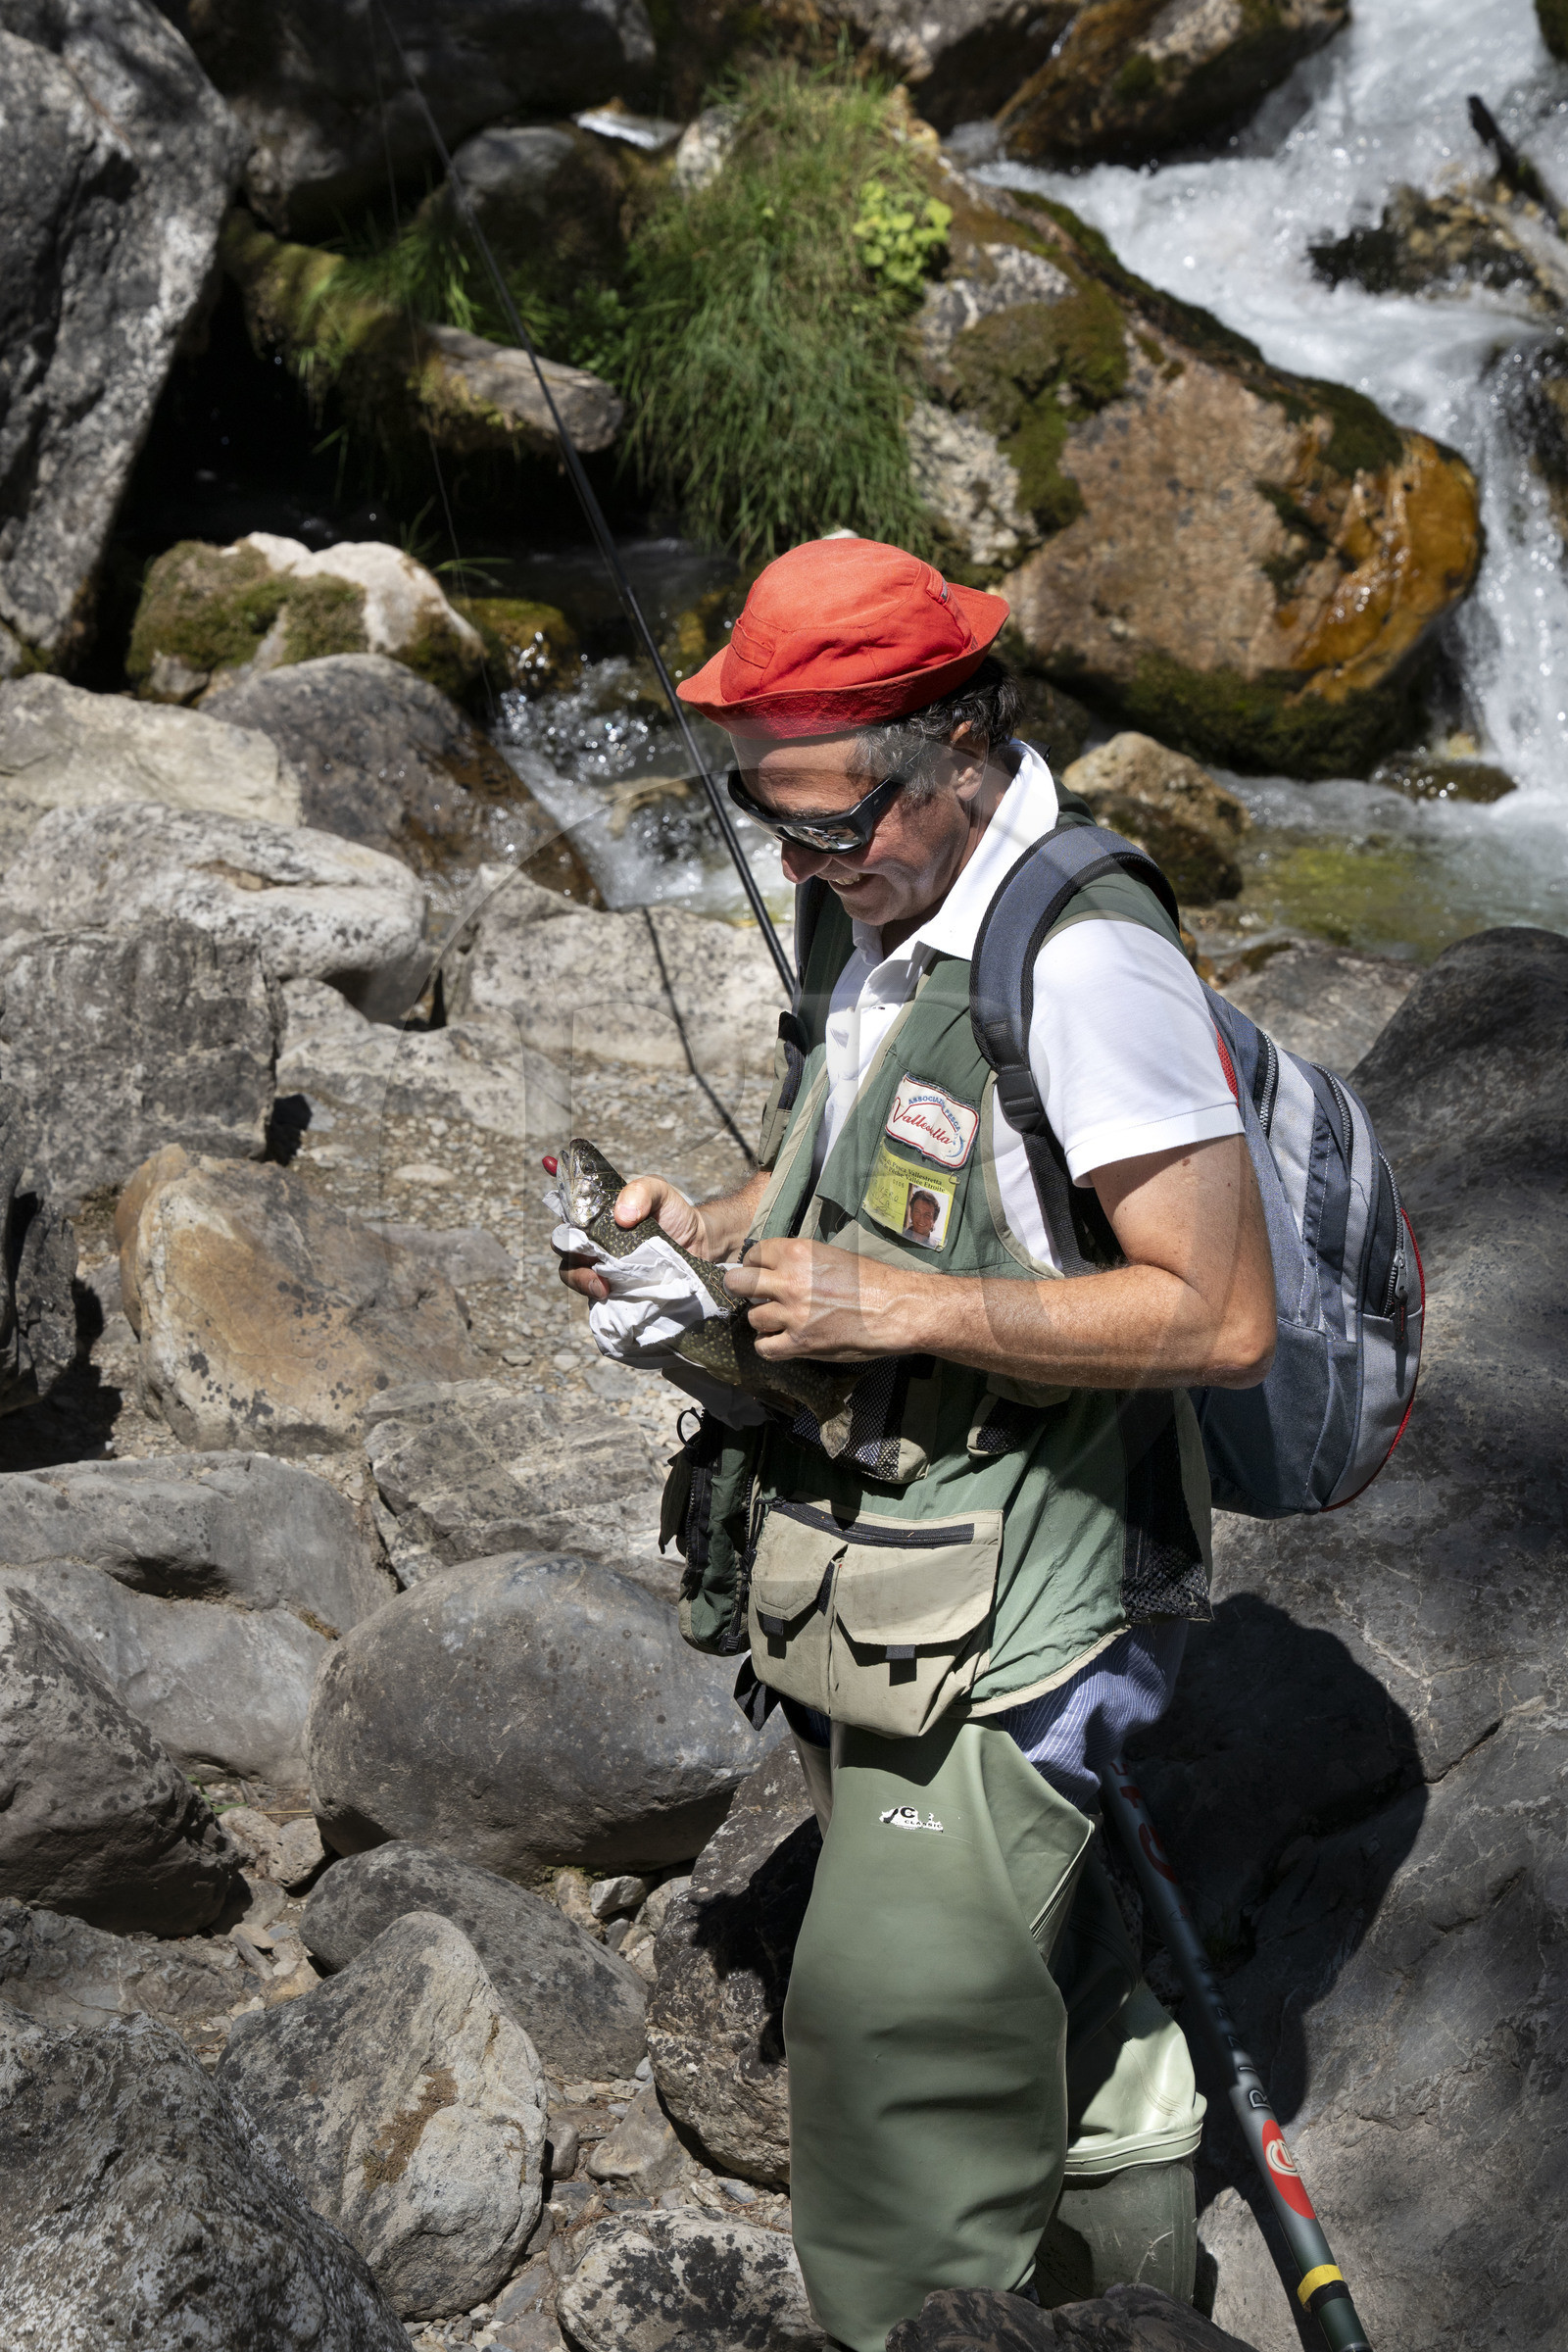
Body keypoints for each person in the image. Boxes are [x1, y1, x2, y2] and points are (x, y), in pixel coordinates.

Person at [560, 537, 1275, 2348]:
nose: (805, 863)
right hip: (899, 1582)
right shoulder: (875, 897)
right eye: (769, 817)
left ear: (957, 746)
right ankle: (1140, 2312)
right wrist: (706, 1234)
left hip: (1029, 1619)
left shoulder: (1089, 959)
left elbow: (1217, 1311)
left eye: (832, 822)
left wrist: (906, 1313)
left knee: (888, 2065)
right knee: (1082, 1999)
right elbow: (868, 1172)